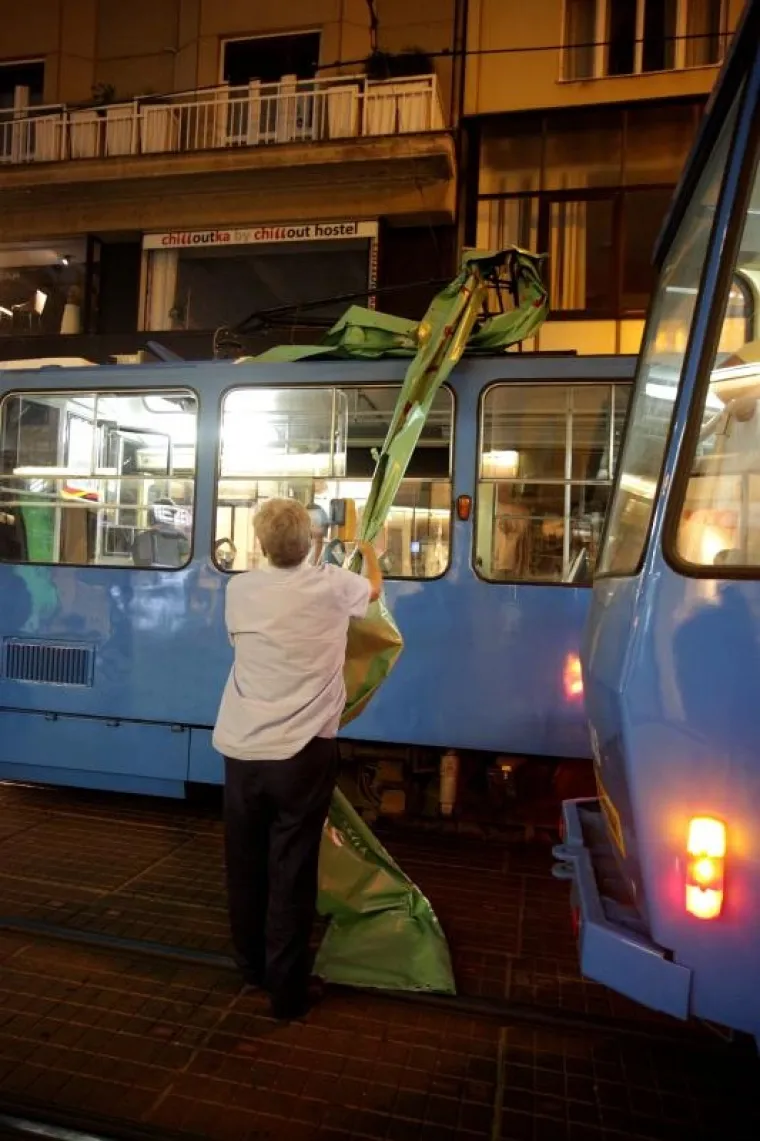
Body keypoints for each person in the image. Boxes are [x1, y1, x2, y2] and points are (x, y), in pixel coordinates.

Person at [212, 497, 383, 1021]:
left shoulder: (238, 588)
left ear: (261, 545)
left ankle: (251, 968)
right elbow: (372, 591)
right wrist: (369, 549)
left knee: (245, 864)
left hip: (241, 749)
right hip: (301, 753)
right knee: (291, 870)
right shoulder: (333, 585)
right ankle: (285, 994)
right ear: (310, 541)